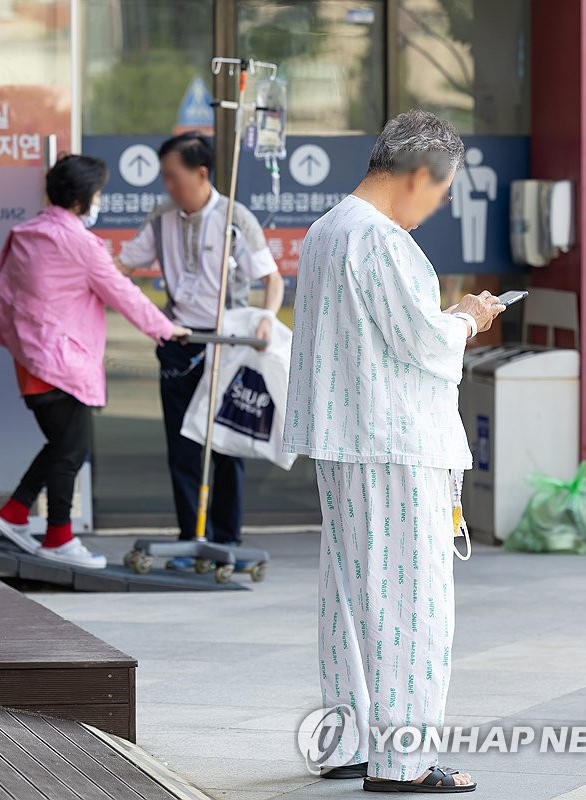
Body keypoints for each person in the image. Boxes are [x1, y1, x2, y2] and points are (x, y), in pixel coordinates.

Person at [284, 110, 504, 793]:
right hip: (395, 442)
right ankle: (404, 762)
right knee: (413, 603)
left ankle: (347, 741)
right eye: (439, 193)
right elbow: (426, 345)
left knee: (351, 597)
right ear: (419, 176)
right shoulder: (383, 242)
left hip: (344, 437)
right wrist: (468, 317)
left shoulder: (328, 228)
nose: (436, 206)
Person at [0, 154, 190, 568]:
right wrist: (166, 329)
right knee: (71, 452)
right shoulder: (78, 243)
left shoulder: (28, 234)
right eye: (98, 193)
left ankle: (15, 513)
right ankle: (59, 537)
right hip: (63, 363)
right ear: (82, 198)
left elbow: (2, 293)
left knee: (61, 445)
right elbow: (120, 293)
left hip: (32, 361)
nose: (99, 200)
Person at [116, 133, 284, 568]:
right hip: (179, 341)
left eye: (173, 176)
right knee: (183, 445)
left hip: (228, 343)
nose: (168, 185)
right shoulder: (161, 218)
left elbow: (271, 279)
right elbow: (122, 266)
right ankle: (191, 537)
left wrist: (267, 316)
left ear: (201, 173)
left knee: (225, 444)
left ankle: (226, 540)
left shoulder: (234, 219)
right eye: (164, 177)